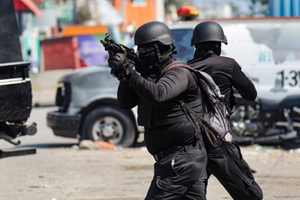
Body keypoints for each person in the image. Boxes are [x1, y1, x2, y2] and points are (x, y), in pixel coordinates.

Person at [108, 21, 207, 200]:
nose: (143, 55)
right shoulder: (148, 77)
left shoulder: (178, 73)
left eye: (148, 51)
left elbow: (159, 94)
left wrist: (130, 72)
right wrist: (124, 77)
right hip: (176, 160)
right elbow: (125, 103)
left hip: (181, 160)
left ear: (162, 49)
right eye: (141, 51)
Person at [187, 21, 263, 200]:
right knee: (251, 194)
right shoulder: (228, 65)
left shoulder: (188, 68)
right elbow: (251, 93)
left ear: (196, 46)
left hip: (192, 141)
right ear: (218, 45)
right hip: (218, 140)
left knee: (195, 193)